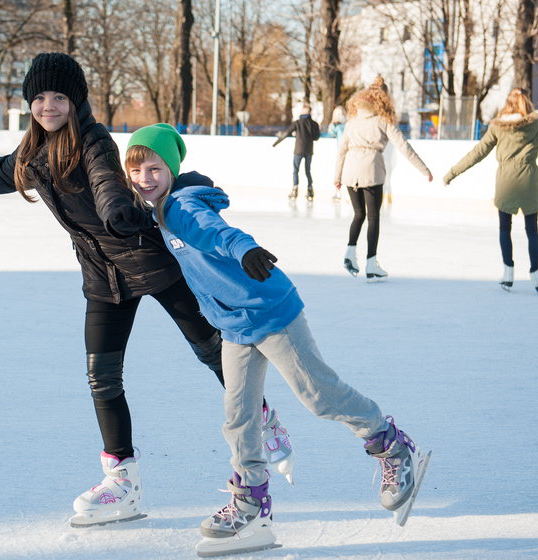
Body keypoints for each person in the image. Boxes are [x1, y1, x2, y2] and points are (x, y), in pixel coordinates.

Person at [0, 53, 294, 528]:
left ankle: (263, 420)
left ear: (76, 101)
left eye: (58, 96)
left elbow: (104, 182)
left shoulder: (93, 141)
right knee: (102, 377)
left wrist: (117, 207)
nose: (48, 105)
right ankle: (123, 482)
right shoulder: (31, 155)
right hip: (102, 278)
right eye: (39, 97)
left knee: (211, 351)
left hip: (150, 262)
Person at [121, 123, 430, 556]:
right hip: (234, 324)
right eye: (136, 170)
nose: (145, 178)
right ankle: (251, 499)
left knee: (318, 394)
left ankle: (390, 444)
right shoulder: (155, 210)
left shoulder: (181, 207)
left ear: (170, 170)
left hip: (269, 311)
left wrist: (245, 249)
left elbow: (217, 233)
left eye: (154, 168)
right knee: (239, 416)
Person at [443, 87, 538, 294]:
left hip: (506, 182)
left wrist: (452, 173)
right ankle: (536, 277)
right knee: (532, 231)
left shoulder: (497, 127)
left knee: (505, 229)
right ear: (527, 103)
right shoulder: (536, 126)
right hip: (529, 181)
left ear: (507, 104)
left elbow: (477, 153)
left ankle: (508, 274)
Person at [334, 77, 433, 281]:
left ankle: (349, 254)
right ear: (384, 99)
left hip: (350, 172)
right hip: (371, 170)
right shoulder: (383, 120)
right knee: (373, 217)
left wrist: (337, 177)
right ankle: (371, 264)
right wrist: (424, 170)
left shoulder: (352, 121)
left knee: (358, 214)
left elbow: (342, 150)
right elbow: (404, 147)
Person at [272, 103, 321, 201]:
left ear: (302, 112)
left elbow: (286, 133)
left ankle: (295, 190)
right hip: (309, 150)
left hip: (298, 150)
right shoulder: (314, 124)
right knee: (308, 171)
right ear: (310, 112)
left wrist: (275, 143)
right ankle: (310, 190)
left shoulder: (297, 123)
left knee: (295, 170)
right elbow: (316, 137)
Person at [328, 105, 346, 201]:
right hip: (346, 151)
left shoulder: (335, 126)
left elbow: (330, 132)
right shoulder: (347, 125)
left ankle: (338, 192)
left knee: (339, 173)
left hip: (341, 152)